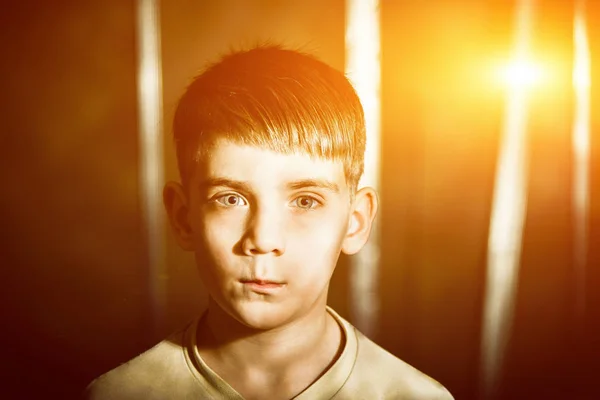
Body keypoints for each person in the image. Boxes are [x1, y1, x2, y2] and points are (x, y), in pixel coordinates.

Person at [85, 45, 453, 400]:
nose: (263, 239)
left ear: (354, 222)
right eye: (231, 199)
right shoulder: (121, 395)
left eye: (306, 201)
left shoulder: (413, 397)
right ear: (183, 218)